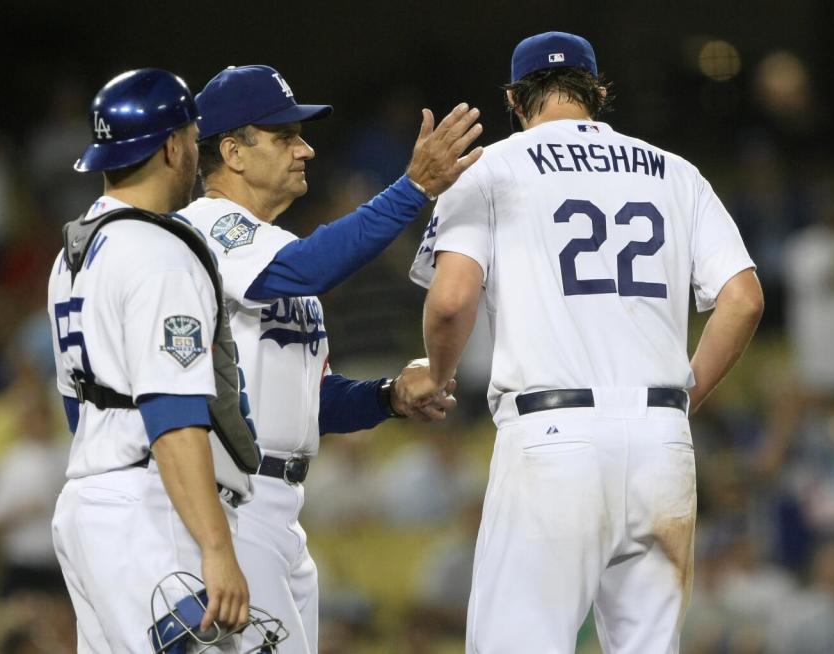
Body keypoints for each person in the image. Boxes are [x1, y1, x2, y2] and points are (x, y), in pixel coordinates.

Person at [402, 32, 765, 653]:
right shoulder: (675, 171)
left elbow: (452, 299)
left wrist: (436, 375)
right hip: (661, 444)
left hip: (553, 438)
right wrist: (682, 401)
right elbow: (744, 297)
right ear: (598, 92)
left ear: (516, 99)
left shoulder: (491, 167)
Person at [176, 64, 483, 654]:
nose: (306, 149)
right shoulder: (205, 230)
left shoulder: (272, 251)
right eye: (285, 136)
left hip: (280, 510)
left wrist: (386, 396)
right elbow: (310, 268)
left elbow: (307, 402)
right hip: (230, 507)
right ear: (233, 152)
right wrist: (412, 188)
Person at [47, 68, 253, 653]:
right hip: (148, 514)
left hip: (90, 507)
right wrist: (216, 548)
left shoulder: (73, 253)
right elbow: (171, 410)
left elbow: (75, 405)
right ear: (172, 146)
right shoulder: (158, 253)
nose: (195, 147)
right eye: (191, 135)